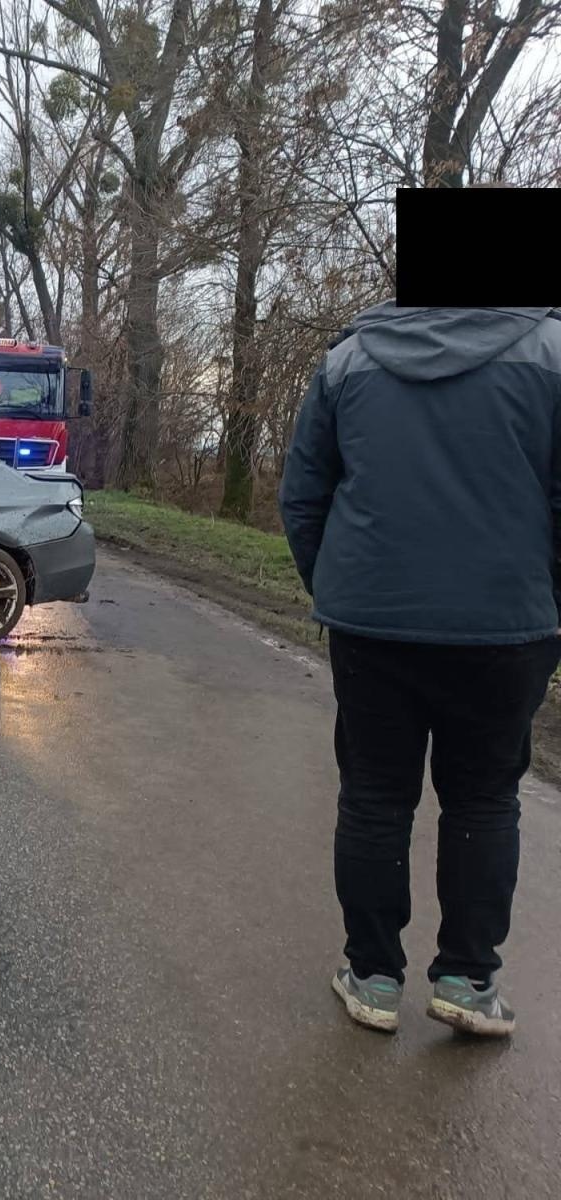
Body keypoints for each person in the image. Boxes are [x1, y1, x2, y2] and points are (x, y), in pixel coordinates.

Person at [280, 304, 561, 1037]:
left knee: (375, 797)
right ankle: (467, 980)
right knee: (485, 799)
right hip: (505, 625)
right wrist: (544, 605)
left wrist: (338, 588)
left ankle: (372, 978)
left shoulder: (350, 360)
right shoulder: (552, 351)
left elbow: (303, 496)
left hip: (372, 624)